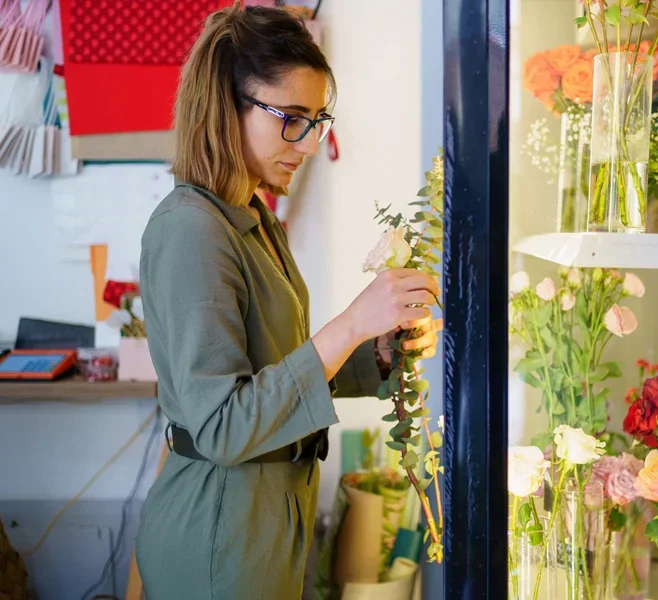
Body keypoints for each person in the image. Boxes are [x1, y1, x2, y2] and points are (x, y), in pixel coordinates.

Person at [135, 4, 442, 598]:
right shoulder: (191, 229)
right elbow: (224, 425)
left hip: (264, 522)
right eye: (291, 118)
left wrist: (374, 349)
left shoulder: (252, 217)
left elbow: (274, 372)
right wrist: (351, 321)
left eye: (317, 121)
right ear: (227, 104)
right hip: (218, 535)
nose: (305, 144)